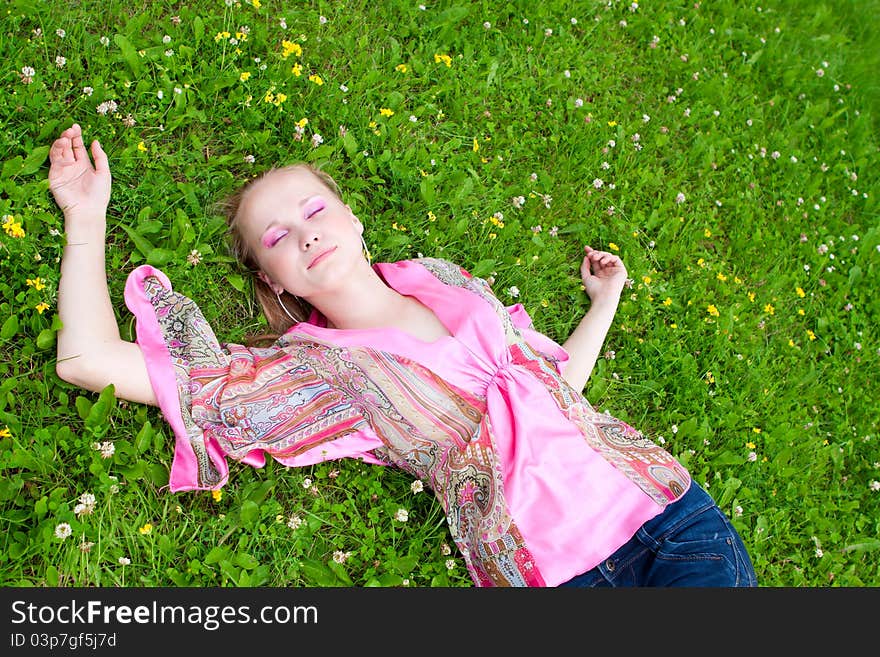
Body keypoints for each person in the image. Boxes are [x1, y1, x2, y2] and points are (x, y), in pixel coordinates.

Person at [48, 122, 757, 587]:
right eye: (276, 237)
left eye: (315, 210)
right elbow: (85, 359)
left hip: (675, 515)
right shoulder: (316, 373)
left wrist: (605, 301)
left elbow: (555, 387)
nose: (304, 233)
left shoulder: (446, 281)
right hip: (566, 575)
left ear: (353, 217)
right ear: (274, 279)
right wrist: (86, 221)